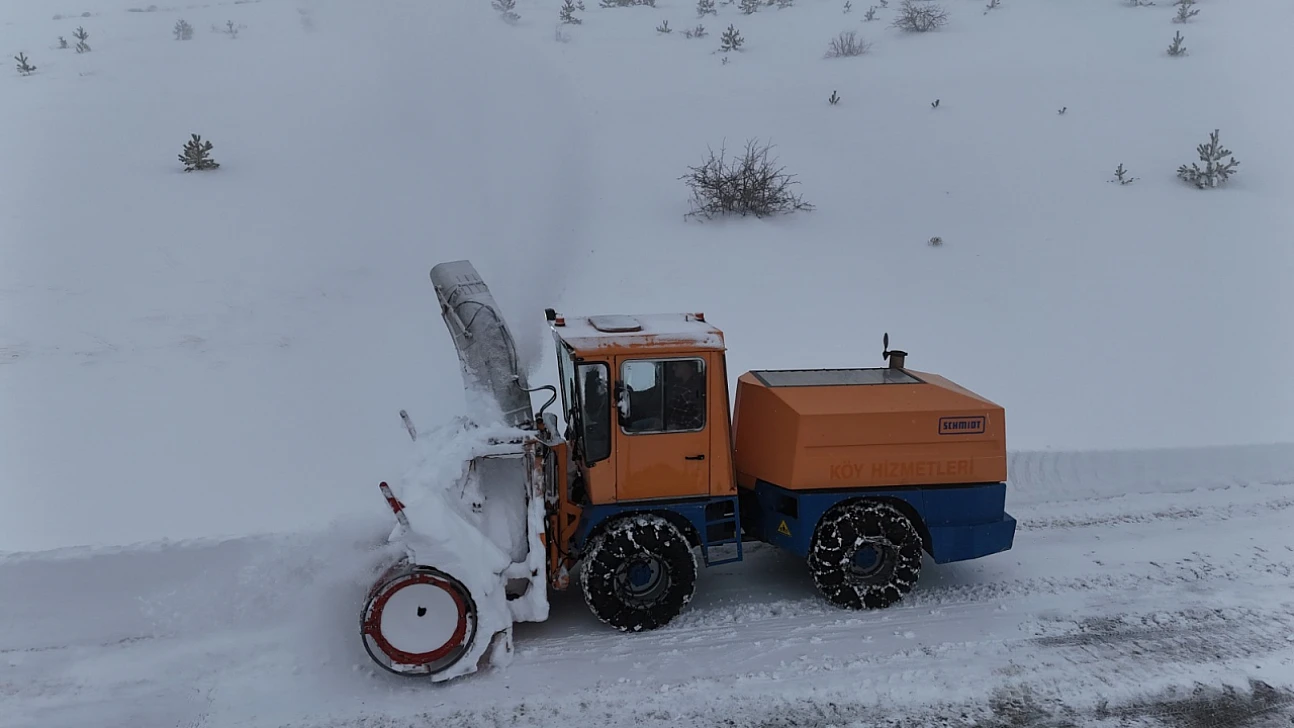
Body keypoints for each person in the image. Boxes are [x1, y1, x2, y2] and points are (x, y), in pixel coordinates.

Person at [664, 361, 705, 430]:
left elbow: (698, 419)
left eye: (676, 364)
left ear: (687, 366)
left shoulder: (695, 389)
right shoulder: (677, 385)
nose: (673, 368)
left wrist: (678, 428)